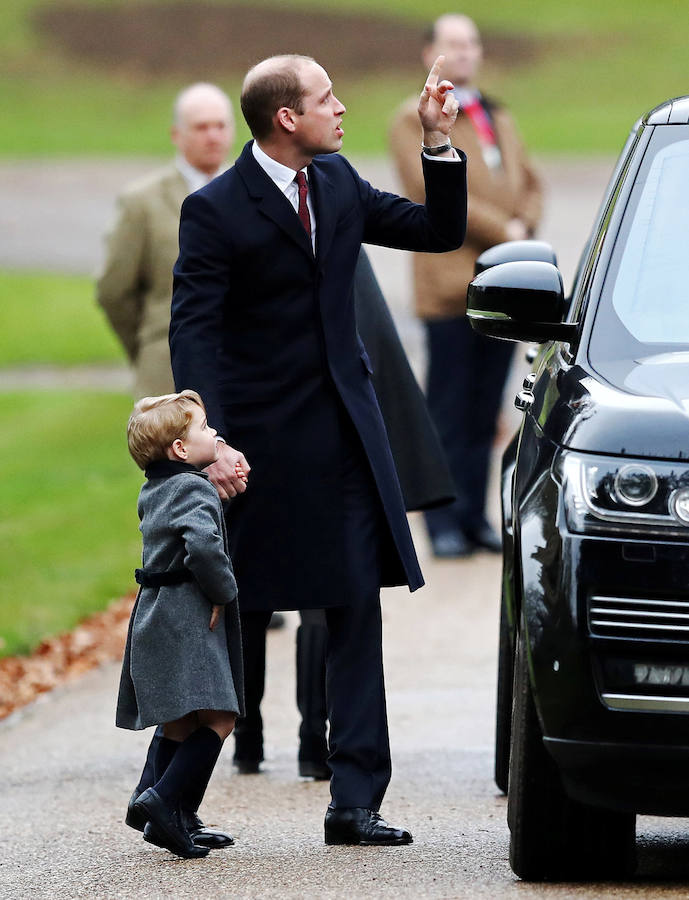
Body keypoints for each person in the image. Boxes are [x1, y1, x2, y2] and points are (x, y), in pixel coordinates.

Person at [169, 52, 467, 845]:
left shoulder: (336, 185)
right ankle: (165, 795)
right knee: (226, 617)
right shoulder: (216, 210)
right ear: (285, 119)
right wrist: (207, 439)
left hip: (342, 442)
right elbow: (193, 329)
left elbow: (437, 230)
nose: (343, 109)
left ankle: (354, 800)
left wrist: (437, 145)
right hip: (254, 453)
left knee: (351, 610)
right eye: (327, 98)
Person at [235, 245, 457, 780]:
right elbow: (374, 340)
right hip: (322, 442)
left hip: (271, 436)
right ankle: (306, 741)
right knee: (301, 599)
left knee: (253, 594)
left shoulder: (261, 219)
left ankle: (256, 739)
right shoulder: (334, 221)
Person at [389, 14, 543, 558]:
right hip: (452, 285)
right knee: (449, 411)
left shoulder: (497, 113)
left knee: (486, 410)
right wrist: (510, 229)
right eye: (452, 44)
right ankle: (443, 523)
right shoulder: (411, 118)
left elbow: (528, 180)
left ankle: (476, 516)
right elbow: (431, 186)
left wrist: (526, 218)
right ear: (429, 51)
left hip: (504, 284)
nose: (464, 53)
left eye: (471, 43)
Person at [116, 390, 245, 858]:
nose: (216, 434)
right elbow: (204, 548)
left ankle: (158, 811)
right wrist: (224, 592)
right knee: (220, 717)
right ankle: (165, 801)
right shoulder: (194, 487)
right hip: (187, 613)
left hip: (154, 611)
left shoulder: (155, 486)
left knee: (179, 719)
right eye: (205, 429)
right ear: (181, 451)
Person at [96, 83, 234, 399]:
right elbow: (114, 291)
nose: (213, 136)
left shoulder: (252, 193)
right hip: (167, 379)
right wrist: (151, 343)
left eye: (220, 126)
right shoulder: (142, 202)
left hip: (246, 376)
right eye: (201, 127)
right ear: (177, 134)